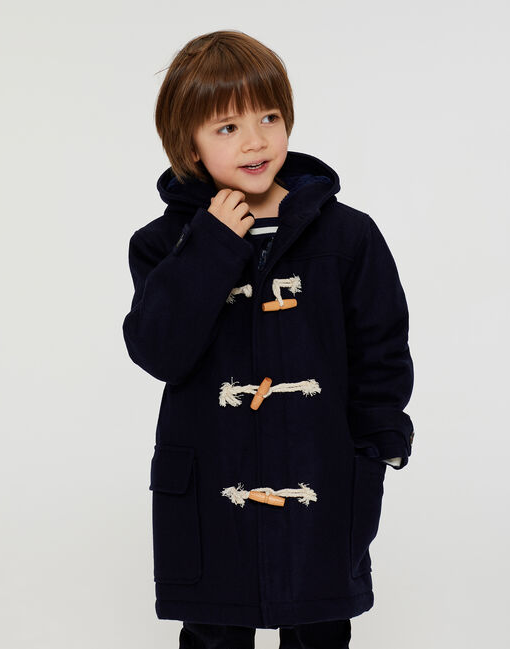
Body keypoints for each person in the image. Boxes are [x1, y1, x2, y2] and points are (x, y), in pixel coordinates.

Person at [122, 30, 415, 649]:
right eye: (227, 127)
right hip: (212, 484)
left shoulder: (348, 236)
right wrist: (210, 247)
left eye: (269, 117)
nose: (255, 141)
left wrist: (376, 448)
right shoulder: (163, 244)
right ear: (189, 144)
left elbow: (382, 348)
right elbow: (158, 352)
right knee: (213, 632)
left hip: (321, 474)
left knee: (319, 629)